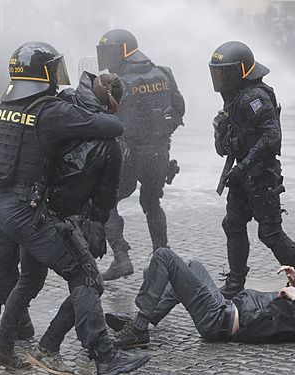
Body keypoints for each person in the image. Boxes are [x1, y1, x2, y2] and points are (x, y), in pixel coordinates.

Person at [0, 41, 148, 375]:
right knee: (85, 274)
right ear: (44, 74)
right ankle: (104, 357)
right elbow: (112, 128)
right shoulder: (50, 111)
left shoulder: (0, 107)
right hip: (24, 209)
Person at [0, 71, 124, 375]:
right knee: (88, 279)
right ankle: (49, 348)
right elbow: (105, 194)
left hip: (32, 208)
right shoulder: (103, 138)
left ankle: (1, 347)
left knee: (30, 280)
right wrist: (97, 223)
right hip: (51, 219)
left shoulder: (59, 105)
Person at [208, 41, 295, 299]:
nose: (219, 80)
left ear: (239, 72)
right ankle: (234, 283)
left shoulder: (255, 96)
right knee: (233, 224)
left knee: (270, 233)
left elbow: (271, 136)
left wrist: (243, 167)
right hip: (243, 175)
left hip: (260, 175)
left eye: (223, 73)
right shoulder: (235, 96)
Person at [105, 247, 295, 350]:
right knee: (194, 265)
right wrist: (294, 285)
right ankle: (145, 318)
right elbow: (286, 313)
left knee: (164, 256)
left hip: (219, 319)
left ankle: (138, 328)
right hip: (225, 308)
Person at [96, 28, 185, 280]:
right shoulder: (164, 73)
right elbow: (179, 109)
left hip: (126, 153)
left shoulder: (114, 81)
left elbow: (101, 118)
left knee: (107, 202)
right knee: (152, 203)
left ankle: (121, 258)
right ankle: (162, 259)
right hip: (159, 151)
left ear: (122, 51)